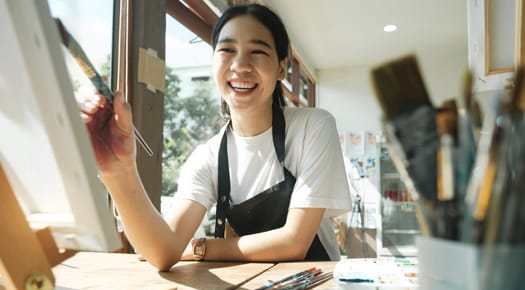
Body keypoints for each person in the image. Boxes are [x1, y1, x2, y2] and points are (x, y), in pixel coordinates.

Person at [81, 3, 352, 271]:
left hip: (317, 289)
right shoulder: (207, 157)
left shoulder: (313, 127)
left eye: (257, 51)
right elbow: (163, 252)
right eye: (227, 50)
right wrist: (118, 172)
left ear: (281, 68)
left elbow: (294, 243)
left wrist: (200, 248)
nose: (240, 65)